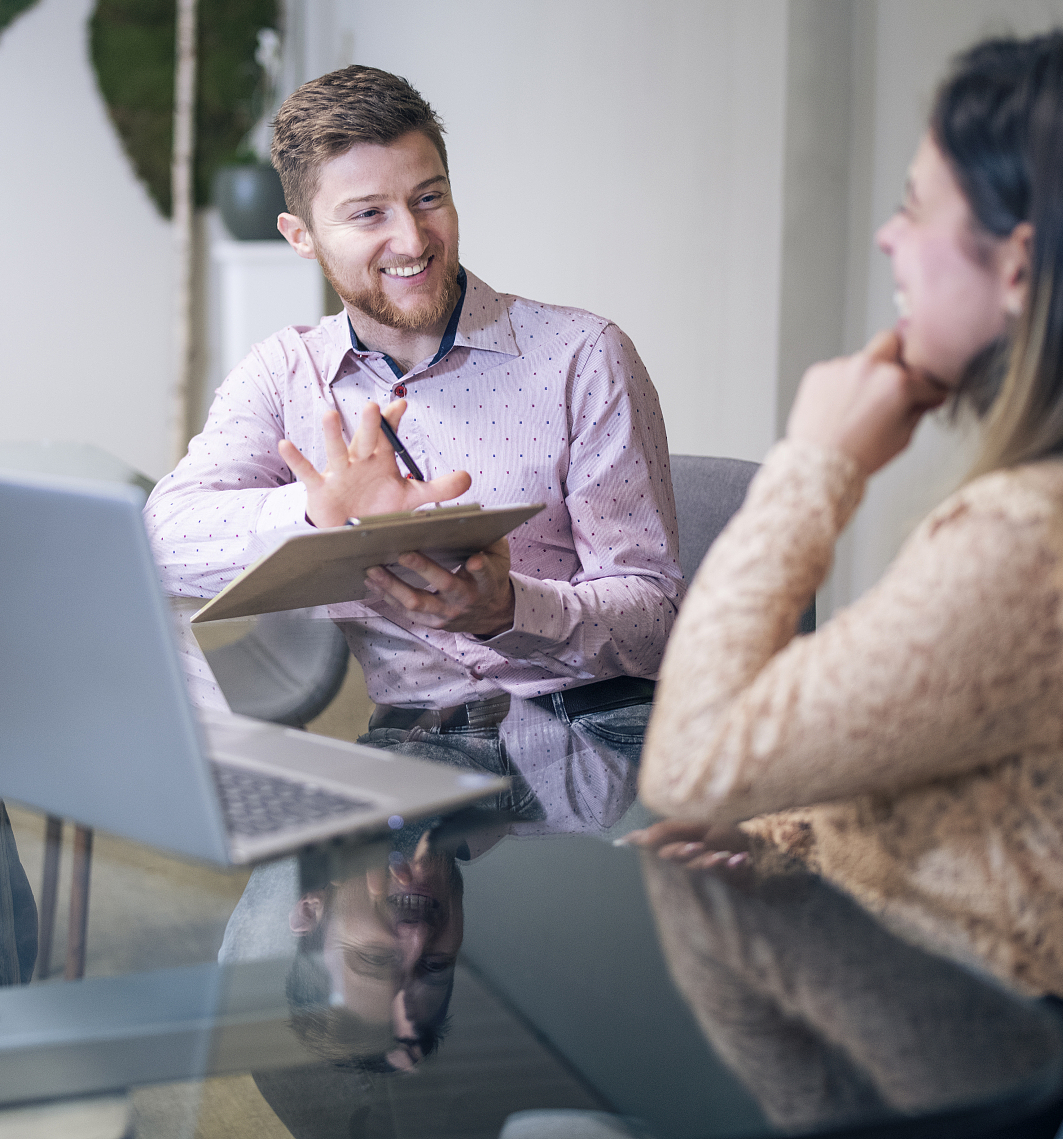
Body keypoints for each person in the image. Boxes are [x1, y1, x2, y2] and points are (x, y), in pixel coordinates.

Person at [632, 33, 1063, 1135]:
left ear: (1020, 269)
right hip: (981, 1044)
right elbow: (990, 814)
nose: (888, 235)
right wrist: (787, 839)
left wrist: (813, 464)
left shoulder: (1030, 544)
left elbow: (689, 765)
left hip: (924, 1081)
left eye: (913, 207)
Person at [146, 65, 680, 777]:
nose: (412, 239)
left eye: (429, 198)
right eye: (368, 214)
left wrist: (510, 607)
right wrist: (316, 515)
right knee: (267, 878)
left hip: (594, 734)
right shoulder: (285, 374)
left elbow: (655, 617)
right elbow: (161, 537)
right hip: (413, 748)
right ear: (300, 236)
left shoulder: (584, 358)